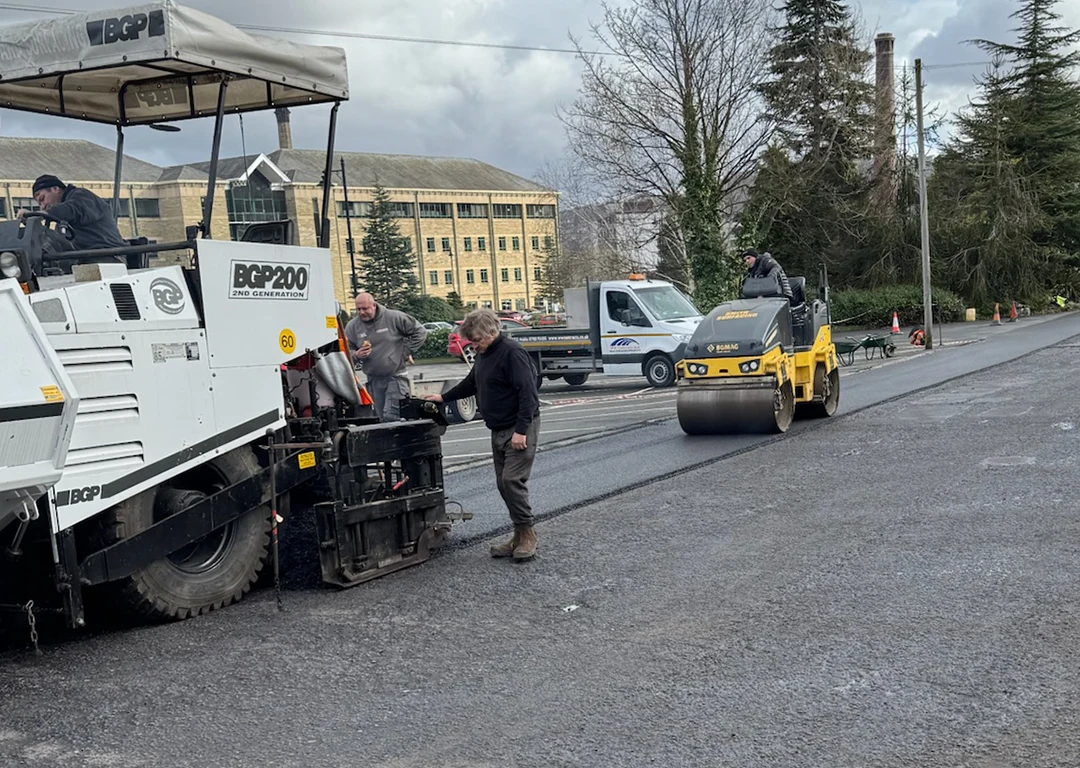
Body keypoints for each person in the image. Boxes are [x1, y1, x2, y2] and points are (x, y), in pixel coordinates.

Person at [426, 308, 541, 561]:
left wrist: (521, 431)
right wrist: (443, 398)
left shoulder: (512, 353)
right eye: (471, 340)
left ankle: (528, 534)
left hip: (519, 427)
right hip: (498, 427)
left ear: (492, 331)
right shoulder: (484, 354)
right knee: (503, 484)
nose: (474, 344)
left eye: (477, 339)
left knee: (512, 481)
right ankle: (518, 535)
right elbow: (472, 382)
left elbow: (528, 394)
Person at [344, 292, 427, 421]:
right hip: (373, 379)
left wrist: (406, 351)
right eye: (358, 309)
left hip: (395, 376)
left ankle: (399, 438)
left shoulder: (393, 317)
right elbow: (345, 350)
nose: (361, 312)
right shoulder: (352, 326)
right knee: (380, 418)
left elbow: (420, 331)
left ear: (374, 305)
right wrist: (356, 355)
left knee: (392, 416)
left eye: (365, 308)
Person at [16, 175, 129, 253]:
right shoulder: (61, 224)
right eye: (39, 204)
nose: (43, 205)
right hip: (81, 258)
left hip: (106, 255)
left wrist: (40, 214)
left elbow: (73, 209)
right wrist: (34, 226)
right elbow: (58, 242)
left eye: (42, 198)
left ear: (55, 189)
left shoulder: (82, 197)